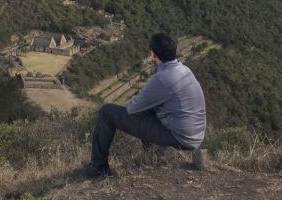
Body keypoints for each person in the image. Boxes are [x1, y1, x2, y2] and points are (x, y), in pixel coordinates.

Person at [86, 33, 207, 178]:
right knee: (149, 110)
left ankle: (98, 168)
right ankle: (151, 155)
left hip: (181, 138)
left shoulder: (162, 79)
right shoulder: (184, 69)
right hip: (195, 135)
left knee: (107, 112)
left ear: (153, 54)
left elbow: (132, 108)